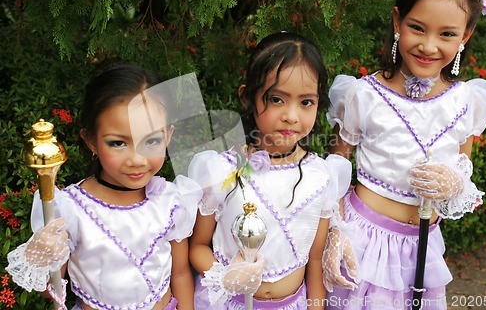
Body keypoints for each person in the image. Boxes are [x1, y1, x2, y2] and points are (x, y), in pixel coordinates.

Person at [323, 0, 486, 309]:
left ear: (465, 36)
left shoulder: (467, 101)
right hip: (363, 242)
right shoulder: (363, 95)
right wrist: (335, 229)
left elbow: (464, 166)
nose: (429, 46)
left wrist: (455, 182)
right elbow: (336, 164)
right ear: (397, 21)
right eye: (417, 28)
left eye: (447, 34)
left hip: (423, 246)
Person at [6, 64, 203, 310]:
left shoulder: (171, 200)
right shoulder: (69, 211)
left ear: (168, 136)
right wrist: (43, 260)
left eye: (151, 140)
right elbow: (51, 290)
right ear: (91, 141)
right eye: (118, 143)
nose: (137, 159)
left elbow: (181, 274)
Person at [188, 32, 353, 309]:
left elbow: (314, 259)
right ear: (248, 97)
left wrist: (315, 306)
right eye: (277, 99)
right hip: (229, 302)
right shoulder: (222, 172)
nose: (291, 115)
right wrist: (227, 276)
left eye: (306, 102)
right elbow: (198, 247)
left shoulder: (322, 177)